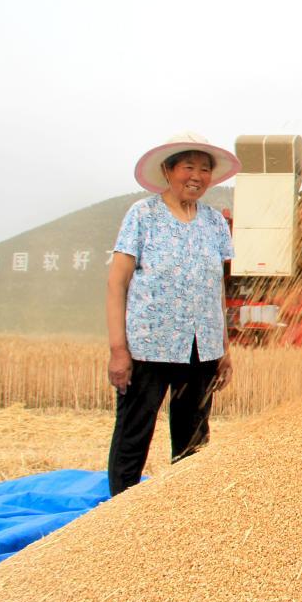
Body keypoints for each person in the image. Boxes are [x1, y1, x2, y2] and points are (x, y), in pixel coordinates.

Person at [106, 132, 241, 496]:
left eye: (204, 169)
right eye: (188, 166)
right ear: (168, 170)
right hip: (149, 347)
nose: (196, 175)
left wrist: (224, 349)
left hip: (202, 349)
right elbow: (116, 284)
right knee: (134, 432)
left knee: (193, 439)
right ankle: (119, 512)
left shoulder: (213, 222)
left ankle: (185, 511)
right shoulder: (143, 215)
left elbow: (216, 289)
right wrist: (119, 350)